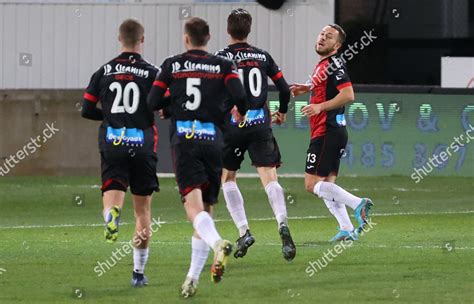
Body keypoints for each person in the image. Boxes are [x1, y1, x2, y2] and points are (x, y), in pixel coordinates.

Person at [147, 17, 248, 298]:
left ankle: (218, 244)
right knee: (207, 209)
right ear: (208, 38)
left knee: (193, 208)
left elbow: (153, 102)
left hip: (186, 138)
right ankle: (191, 278)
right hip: (214, 140)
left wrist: (172, 104)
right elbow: (241, 97)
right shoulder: (224, 65)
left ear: (186, 38)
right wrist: (238, 110)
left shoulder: (172, 64)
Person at [81, 19, 160, 287]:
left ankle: (111, 216)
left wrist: (110, 115)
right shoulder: (152, 72)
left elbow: (86, 108)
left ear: (119, 39)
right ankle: (138, 273)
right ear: (142, 39)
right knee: (143, 211)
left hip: (114, 141)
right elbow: (166, 104)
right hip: (143, 143)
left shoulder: (103, 71)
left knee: (113, 195)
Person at [215, 8, 295, 261]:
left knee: (228, 179)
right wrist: (282, 112)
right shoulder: (262, 56)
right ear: (249, 30)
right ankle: (282, 223)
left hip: (233, 125)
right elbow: (284, 88)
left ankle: (244, 231)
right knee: (270, 178)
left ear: (228, 30)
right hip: (260, 124)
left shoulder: (221, 58)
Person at [290, 24, 373, 242]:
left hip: (327, 131)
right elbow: (325, 85)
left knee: (311, 185)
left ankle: (358, 203)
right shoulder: (325, 65)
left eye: (328, 37)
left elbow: (348, 95)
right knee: (327, 184)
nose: (322, 38)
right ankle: (346, 228)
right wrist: (307, 88)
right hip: (332, 131)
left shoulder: (334, 63)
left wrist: (319, 107)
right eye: (321, 34)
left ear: (337, 45)